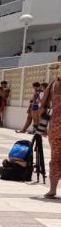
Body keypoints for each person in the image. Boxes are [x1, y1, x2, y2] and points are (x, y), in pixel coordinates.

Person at [39, 61, 61, 198]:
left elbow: (43, 106)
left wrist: (41, 126)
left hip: (56, 125)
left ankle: (52, 189)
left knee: (56, 157)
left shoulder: (53, 85)